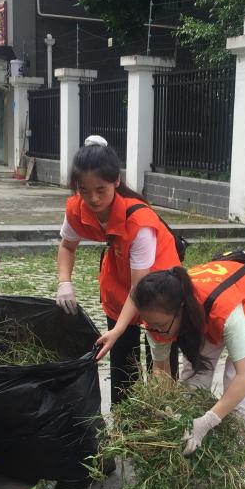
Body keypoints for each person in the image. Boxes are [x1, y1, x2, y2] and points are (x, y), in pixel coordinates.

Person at [55, 135, 181, 404]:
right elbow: (67, 246)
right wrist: (64, 281)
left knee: (160, 359)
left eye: (101, 190)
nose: (93, 198)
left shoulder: (139, 222)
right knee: (122, 361)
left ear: (116, 181)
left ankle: (164, 413)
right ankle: (124, 416)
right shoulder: (76, 209)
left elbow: (139, 287)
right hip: (121, 276)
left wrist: (120, 328)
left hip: (158, 282)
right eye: (84, 190)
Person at [128, 255, 245, 454]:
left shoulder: (223, 311)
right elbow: (160, 369)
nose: (156, 330)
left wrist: (207, 421)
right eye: (151, 325)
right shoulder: (157, 319)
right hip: (205, 309)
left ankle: (244, 450)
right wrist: (164, 404)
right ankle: (190, 438)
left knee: (234, 378)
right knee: (194, 377)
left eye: (161, 325)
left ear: (181, 309)